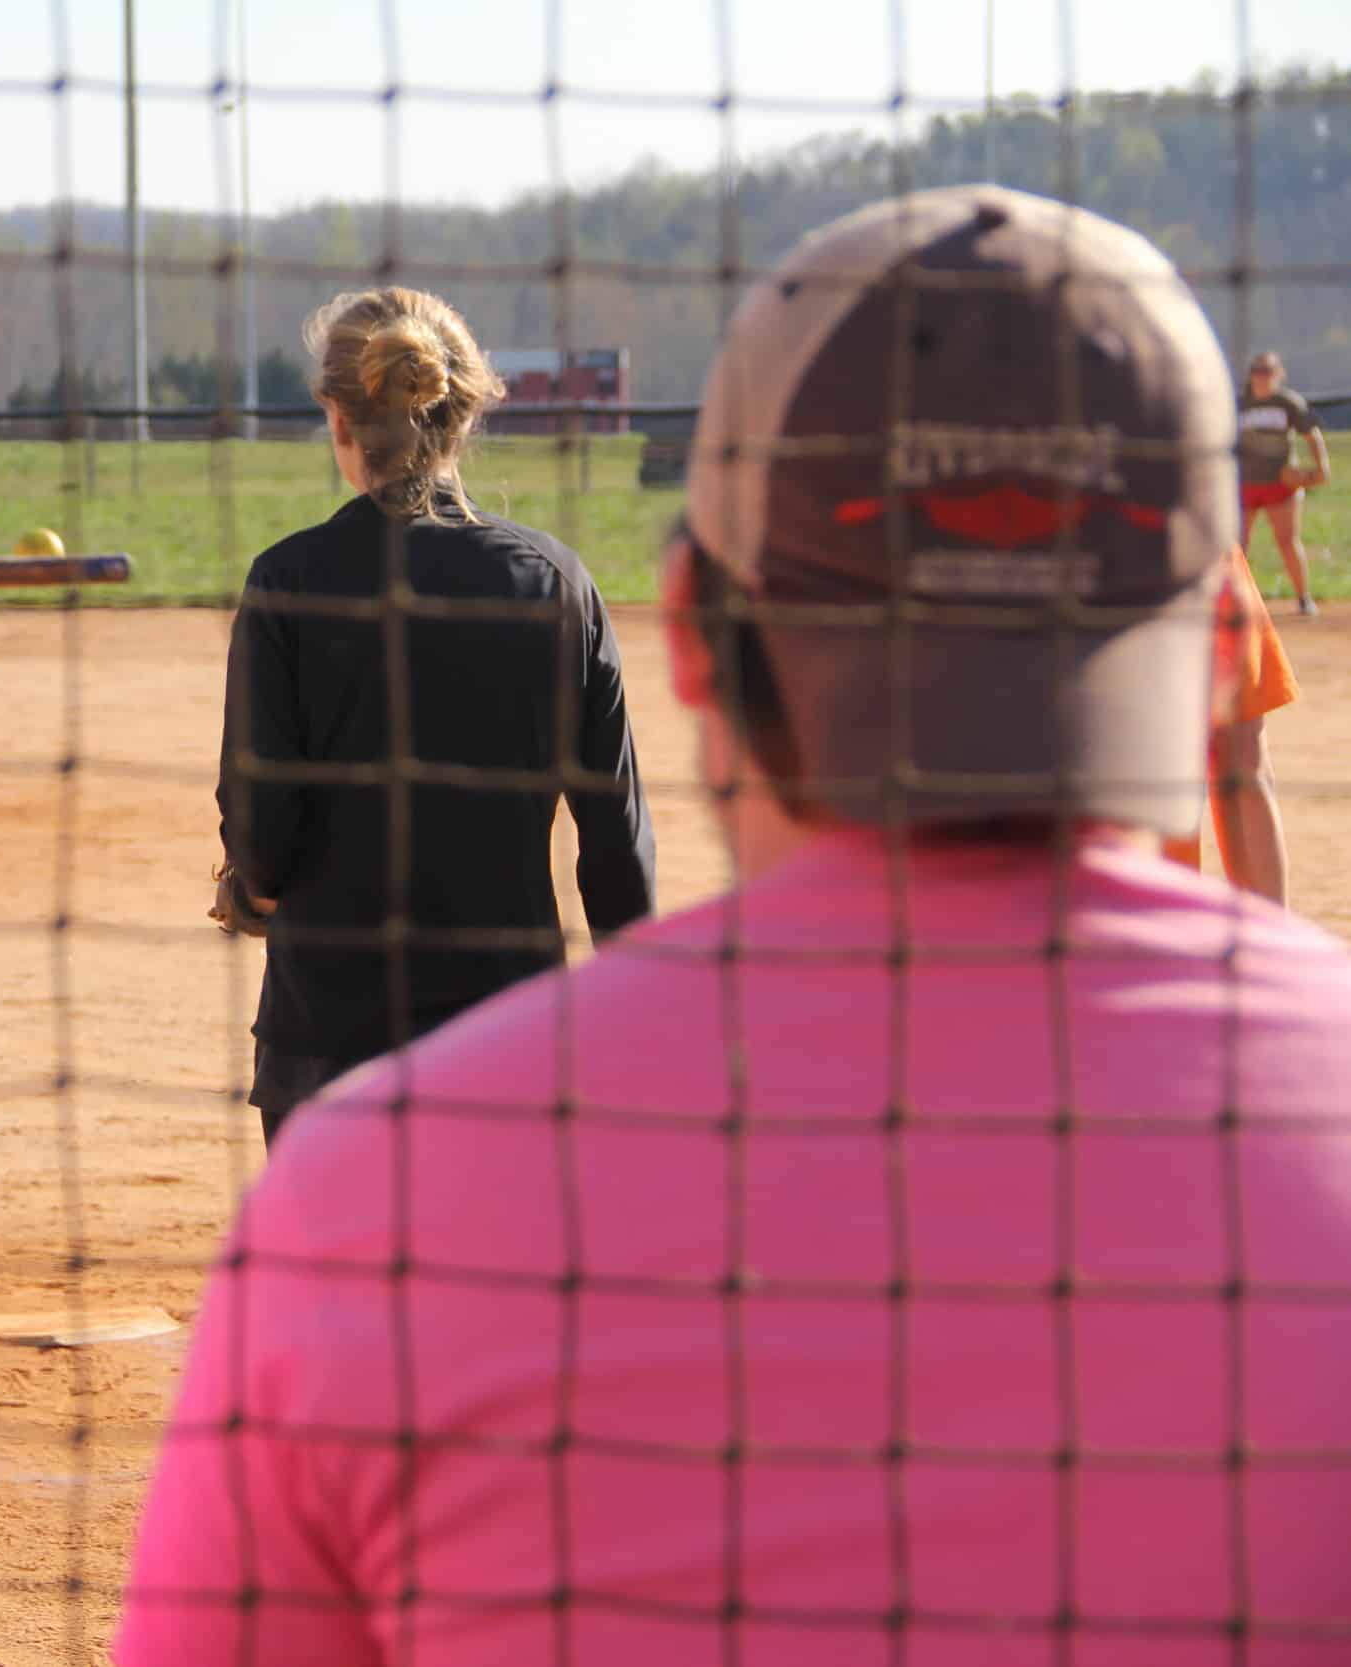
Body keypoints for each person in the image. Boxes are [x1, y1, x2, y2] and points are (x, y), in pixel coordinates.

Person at [121, 187, 1351, 1666]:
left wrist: (266, 879)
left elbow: (261, 809)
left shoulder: (358, 1189)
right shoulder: (548, 581)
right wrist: (629, 971)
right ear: (1222, 630)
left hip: (344, 1018)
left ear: (700, 631)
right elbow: (615, 828)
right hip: (506, 974)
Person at [212, 285, 655, 1148]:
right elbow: (615, 846)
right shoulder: (559, 583)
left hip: (329, 1050)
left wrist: (249, 888)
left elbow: (263, 828)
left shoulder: (289, 582)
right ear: (466, 410)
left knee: (335, 1284)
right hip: (508, 1046)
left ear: (338, 418)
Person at [1162, 544, 1298, 903]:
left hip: (1196, 544)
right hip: (1092, 554)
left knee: (1240, 755)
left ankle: (1265, 941)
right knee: (1149, 767)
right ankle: (1162, 934)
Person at [1239, 349, 1330, 615]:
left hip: (1280, 484)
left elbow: (1312, 436)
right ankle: (1238, 602)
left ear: (1279, 374)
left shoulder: (1288, 402)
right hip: (1245, 484)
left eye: (1267, 371)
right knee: (1238, 545)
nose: (1261, 376)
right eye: (1256, 370)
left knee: (1287, 541)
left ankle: (1304, 598)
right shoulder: (1239, 403)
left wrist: (1321, 467)